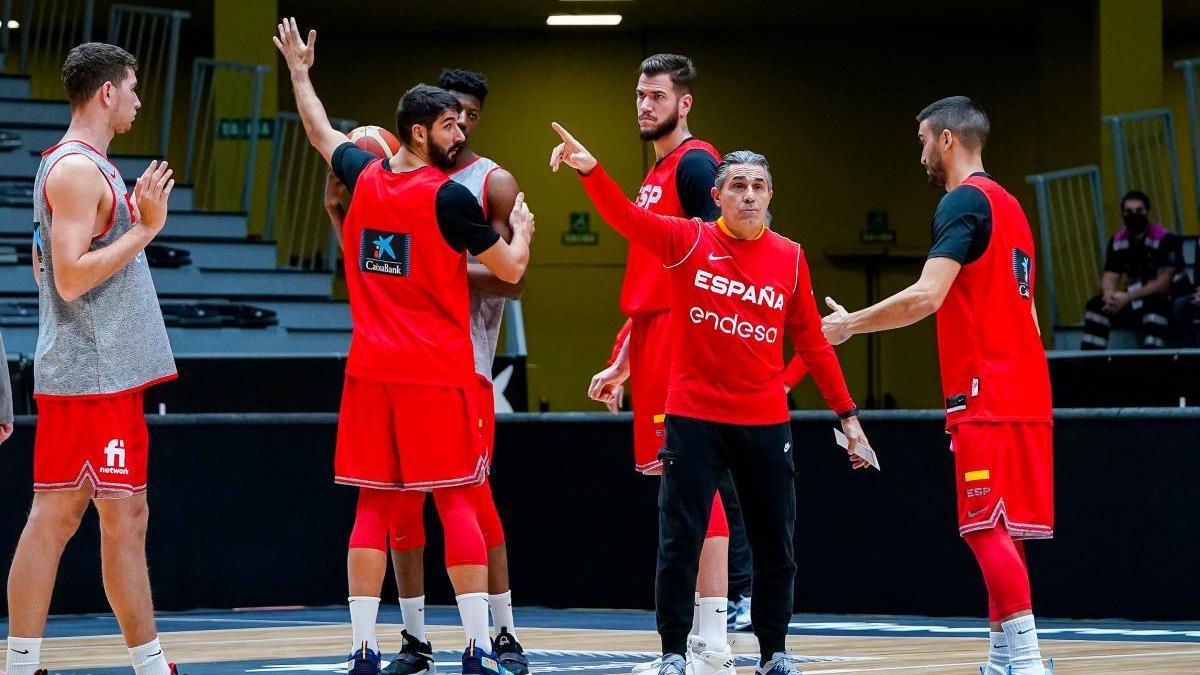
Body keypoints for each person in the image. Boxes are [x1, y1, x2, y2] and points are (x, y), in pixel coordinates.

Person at [551, 123, 871, 675]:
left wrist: (849, 416)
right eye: (738, 185)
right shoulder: (687, 241)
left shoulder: (791, 257)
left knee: (777, 548)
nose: (749, 194)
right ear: (717, 195)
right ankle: (674, 652)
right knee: (679, 541)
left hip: (766, 422)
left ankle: (774, 653)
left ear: (771, 196)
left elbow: (814, 344)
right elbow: (628, 219)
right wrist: (590, 171)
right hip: (695, 418)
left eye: (759, 186)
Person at [273, 18, 534, 675]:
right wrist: (524, 233)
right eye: (451, 124)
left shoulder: (363, 177)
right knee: (458, 500)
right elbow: (507, 270)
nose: (461, 132)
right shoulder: (448, 197)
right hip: (437, 372)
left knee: (374, 507)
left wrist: (300, 74)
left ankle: (364, 648)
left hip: (369, 373)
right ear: (420, 131)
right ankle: (478, 647)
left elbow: (319, 131)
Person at [821, 96, 1054, 675]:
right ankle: (1004, 658)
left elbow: (927, 296)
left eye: (924, 140)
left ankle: (1024, 661)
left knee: (981, 527)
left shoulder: (962, 202)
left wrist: (851, 324)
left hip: (985, 391)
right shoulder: (1013, 209)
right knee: (1006, 528)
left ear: (947, 140)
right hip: (1026, 389)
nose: (922, 152)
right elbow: (1030, 316)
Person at [584, 55, 765, 671]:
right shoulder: (659, 170)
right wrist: (625, 358)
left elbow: (730, 256)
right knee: (680, 490)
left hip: (686, 342)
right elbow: (658, 279)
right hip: (656, 336)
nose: (644, 105)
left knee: (696, 488)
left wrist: (719, 337)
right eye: (639, 94)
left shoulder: (694, 166)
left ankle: (713, 636)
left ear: (684, 103)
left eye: (656, 96)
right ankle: (702, 632)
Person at [6, 42, 181, 675]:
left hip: (99, 373)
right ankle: (30, 665)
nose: (137, 99)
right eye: (132, 87)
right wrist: (143, 230)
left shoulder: (78, 166)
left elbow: (41, 265)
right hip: (91, 376)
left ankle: (143, 663)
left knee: (121, 517)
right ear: (107, 92)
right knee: (60, 517)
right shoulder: (77, 170)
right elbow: (70, 279)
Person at [1081, 190, 1179, 349]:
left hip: (1166, 298)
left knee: (1154, 305)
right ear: (1122, 215)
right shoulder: (1118, 240)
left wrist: (1128, 297)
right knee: (1096, 305)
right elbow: (1109, 276)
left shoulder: (1165, 239)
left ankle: (1153, 361)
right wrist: (1109, 296)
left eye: (1139, 211)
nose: (1134, 215)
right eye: (1129, 212)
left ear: (1147, 213)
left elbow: (1163, 283)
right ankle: (1090, 362)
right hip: (1135, 298)